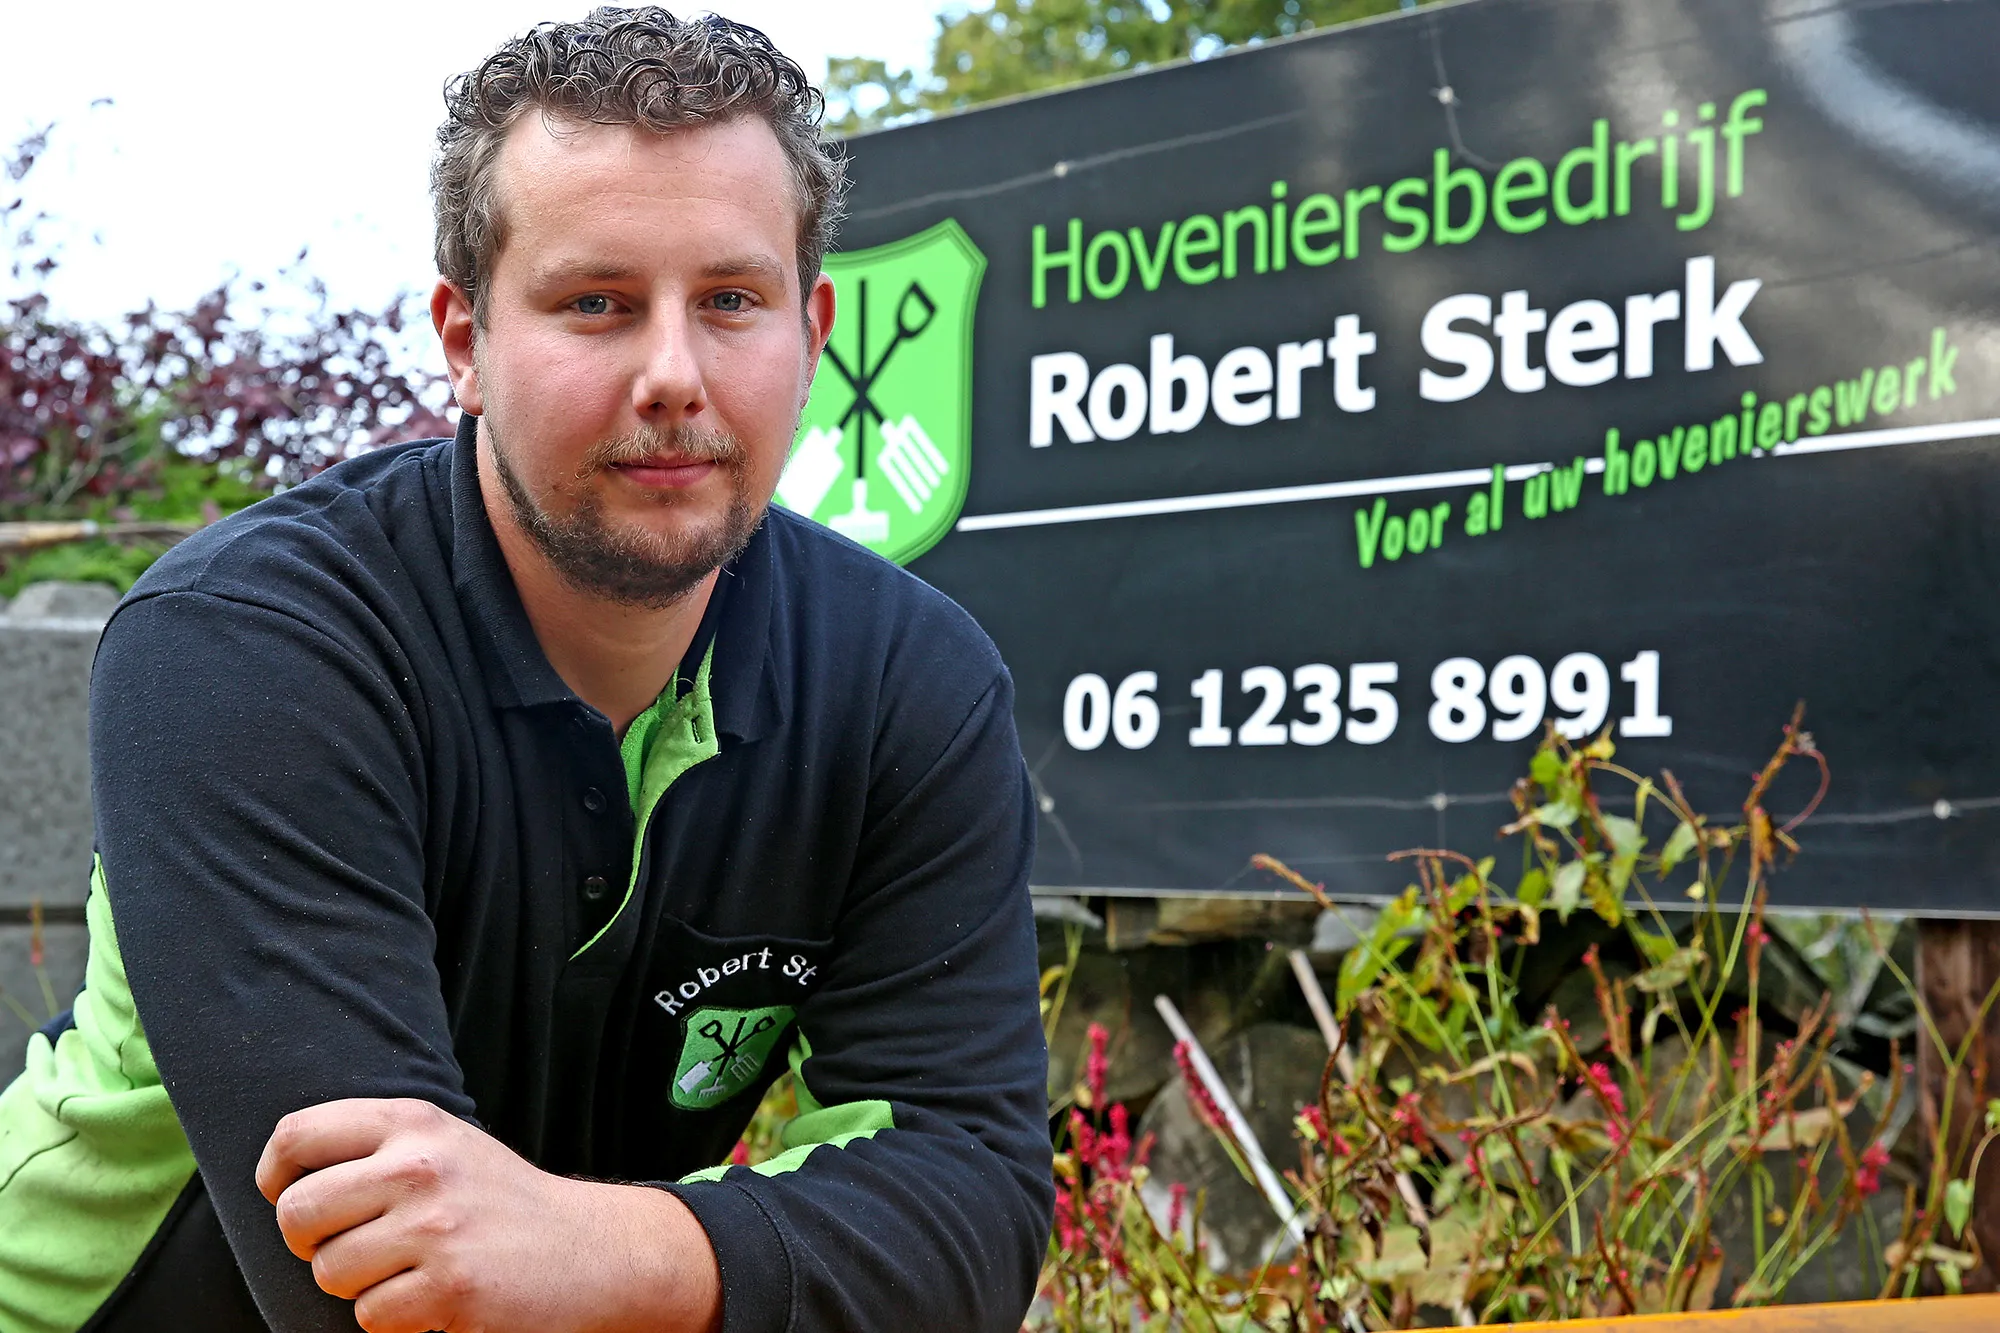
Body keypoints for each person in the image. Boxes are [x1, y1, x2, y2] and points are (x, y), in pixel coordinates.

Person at [0, 9, 1053, 1332]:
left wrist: (609, 1248)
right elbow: (369, 1282)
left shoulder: (910, 682)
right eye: (595, 304)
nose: (674, 375)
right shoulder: (249, 646)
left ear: (813, 327)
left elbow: (974, 1203)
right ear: (464, 341)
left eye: (731, 300)